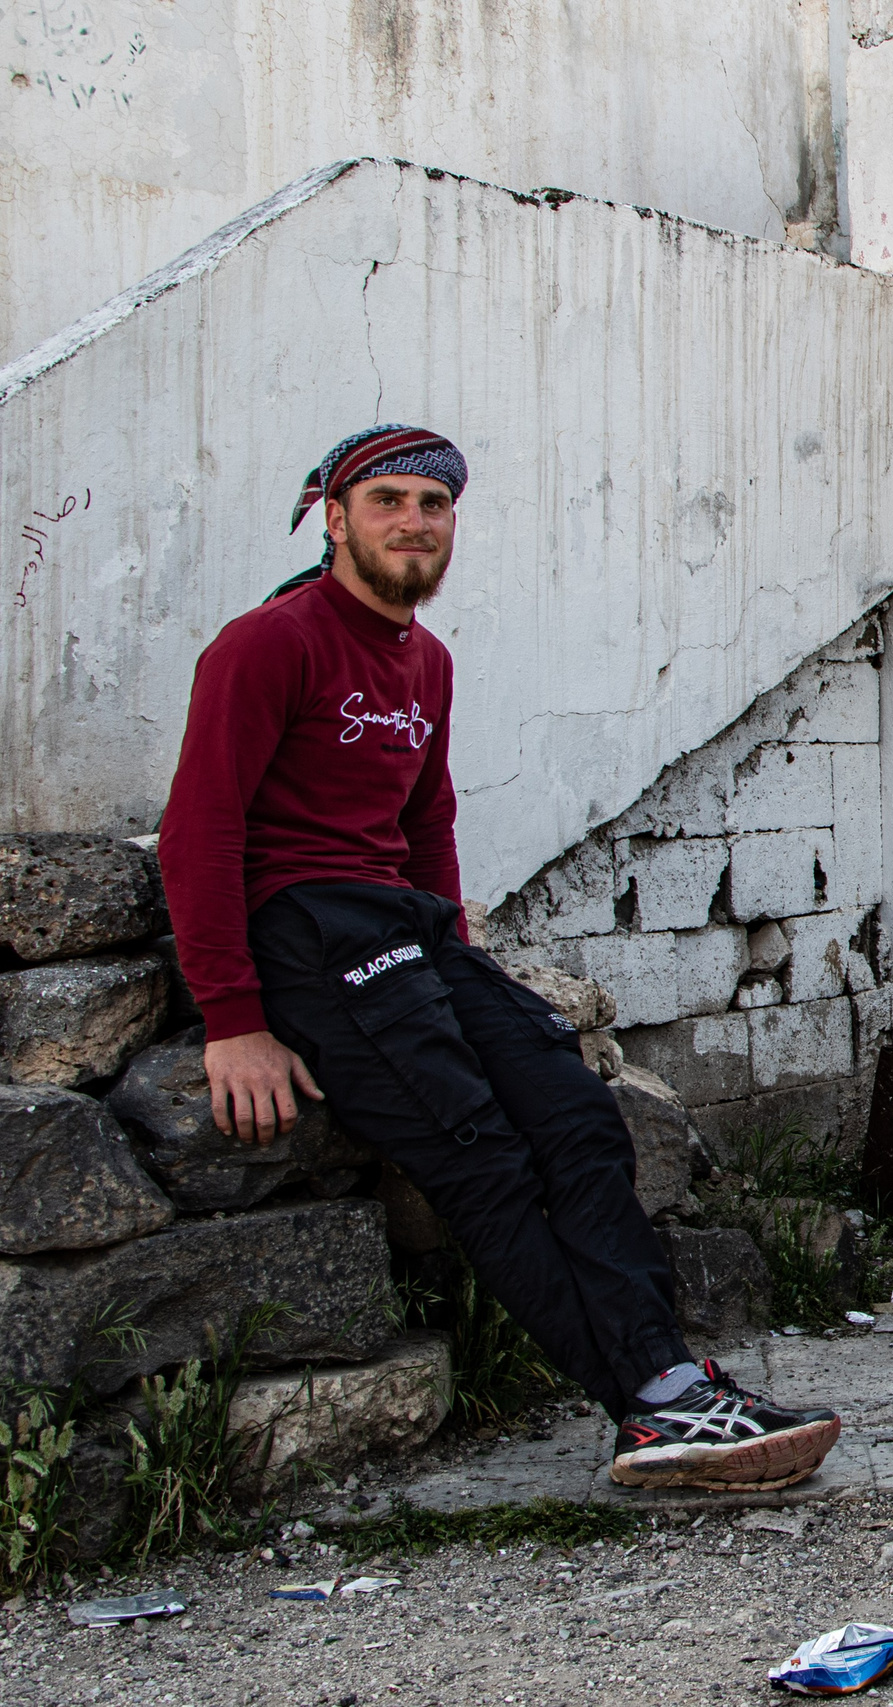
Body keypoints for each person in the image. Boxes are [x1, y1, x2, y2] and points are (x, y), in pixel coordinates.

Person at [159, 424, 841, 1493]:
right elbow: (200, 830)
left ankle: (673, 1380)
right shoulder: (268, 643)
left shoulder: (424, 658)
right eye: (387, 503)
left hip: (408, 930)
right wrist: (233, 1020)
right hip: (312, 932)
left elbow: (426, 822)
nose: (414, 525)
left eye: (432, 508)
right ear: (334, 518)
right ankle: (652, 1408)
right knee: (480, 1158)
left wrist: (458, 966)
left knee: (574, 1115)